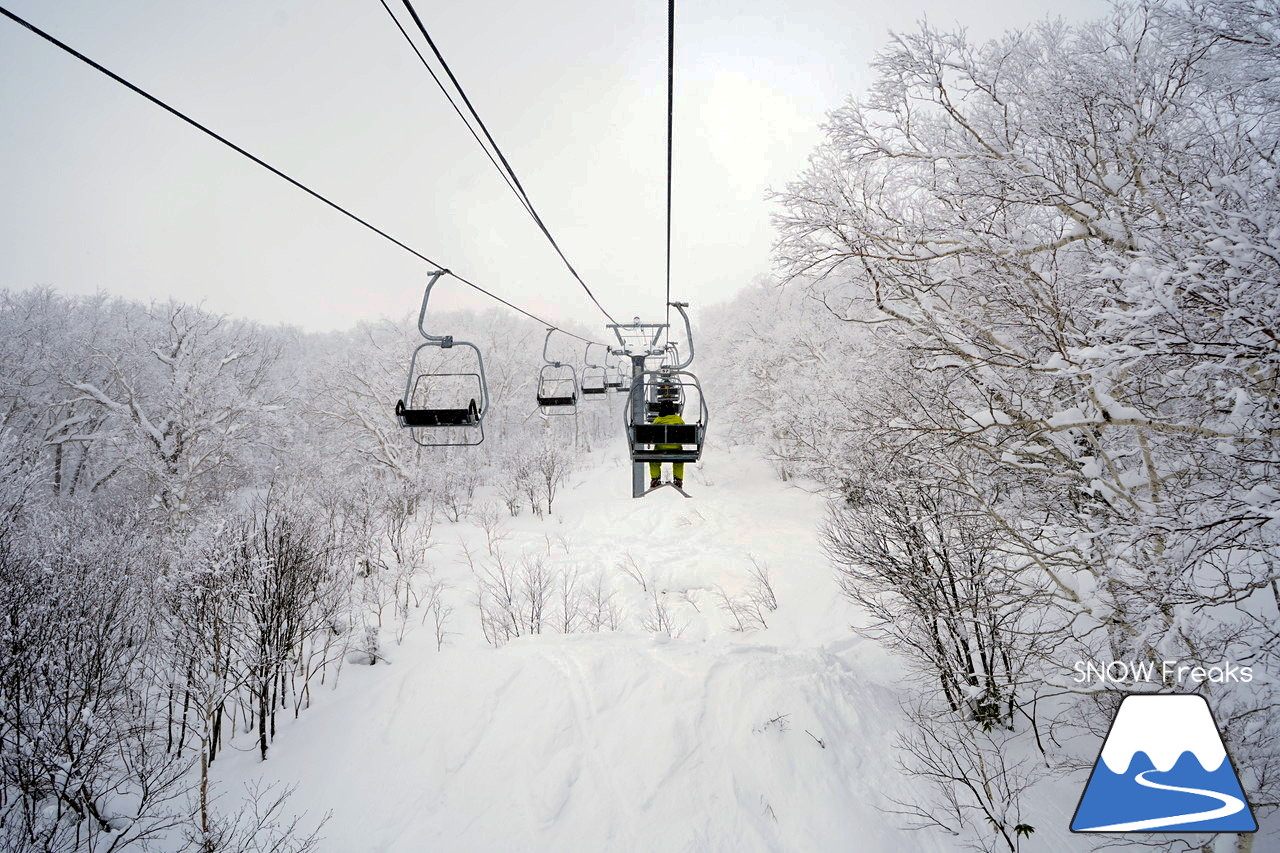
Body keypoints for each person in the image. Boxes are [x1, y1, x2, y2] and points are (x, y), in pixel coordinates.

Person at [649, 399, 685, 488]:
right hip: (676, 448)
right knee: (679, 460)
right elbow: (684, 433)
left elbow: (652, 435)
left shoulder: (658, 420)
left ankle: (655, 479)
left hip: (660, 448)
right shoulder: (678, 419)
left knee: (654, 460)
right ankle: (678, 480)